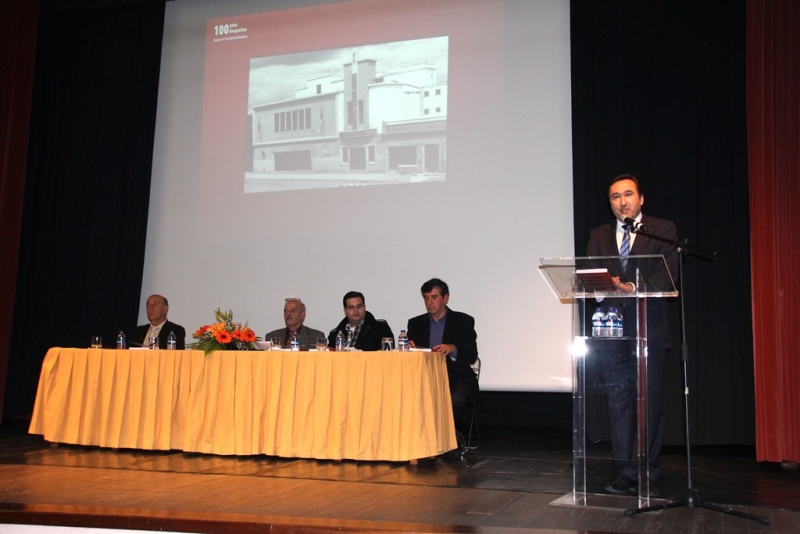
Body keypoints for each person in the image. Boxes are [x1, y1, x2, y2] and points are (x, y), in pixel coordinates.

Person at [585, 174, 679, 498]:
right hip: (611, 330)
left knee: (648, 402)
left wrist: (631, 287)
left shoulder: (662, 230)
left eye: (628, 195)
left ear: (641, 199)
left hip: (650, 329)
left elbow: (667, 274)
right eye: (615, 197)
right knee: (619, 404)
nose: (622, 202)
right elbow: (590, 276)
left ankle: (646, 471)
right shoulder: (598, 235)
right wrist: (601, 286)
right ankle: (625, 471)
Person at [407, 278, 479, 433]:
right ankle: (417, 436)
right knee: (403, 396)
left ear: (445, 298)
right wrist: (409, 348)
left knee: (455, 399)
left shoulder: (463, 321)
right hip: (424, 377)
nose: (429, 302)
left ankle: (443, 435)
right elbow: (410, 356)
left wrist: (453, 349)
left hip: (455, 376)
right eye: (426, 298)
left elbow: (471, 355)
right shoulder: (416, 324)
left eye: (434, 297)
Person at [327, 291, 394, 351]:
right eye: (351, 307)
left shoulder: (380, 329)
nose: (356, 310)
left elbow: (388, 356)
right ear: (345, 310)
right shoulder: (335, 334)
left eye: (359, 306)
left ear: (364, 307)